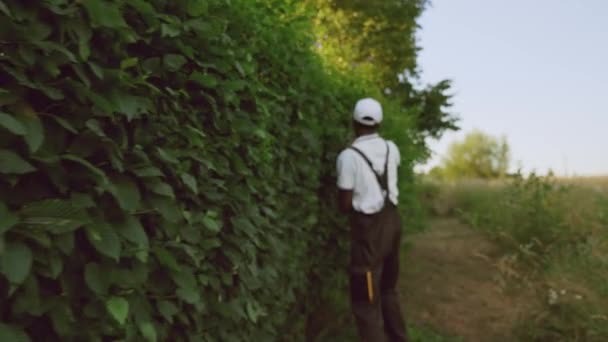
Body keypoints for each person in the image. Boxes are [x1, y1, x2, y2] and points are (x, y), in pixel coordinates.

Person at [336, 98, 408, 341]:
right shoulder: (392, 148)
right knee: (388, 289)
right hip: (393, 224)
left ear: (354, 122)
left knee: (364, 298)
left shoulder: (348, 156)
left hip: (368, 232)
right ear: (380, 123)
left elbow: (345, 205)